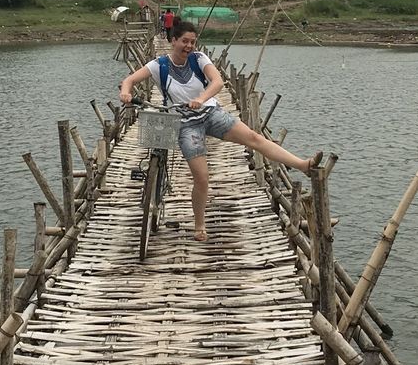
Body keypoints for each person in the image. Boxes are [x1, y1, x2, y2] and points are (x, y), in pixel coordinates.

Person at [119, 18, 320, 243]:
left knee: (254, 138)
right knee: (202, 178)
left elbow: (217, 82)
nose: (189, 46)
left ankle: (303, 165)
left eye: (192, 42)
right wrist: (126, 92)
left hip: (210, 113)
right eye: (184, 41)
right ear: (173, 40)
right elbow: (129, 80)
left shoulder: (199, 59)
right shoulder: (159, 65)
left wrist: (201, 98)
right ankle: (199, 225)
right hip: (185, 124)